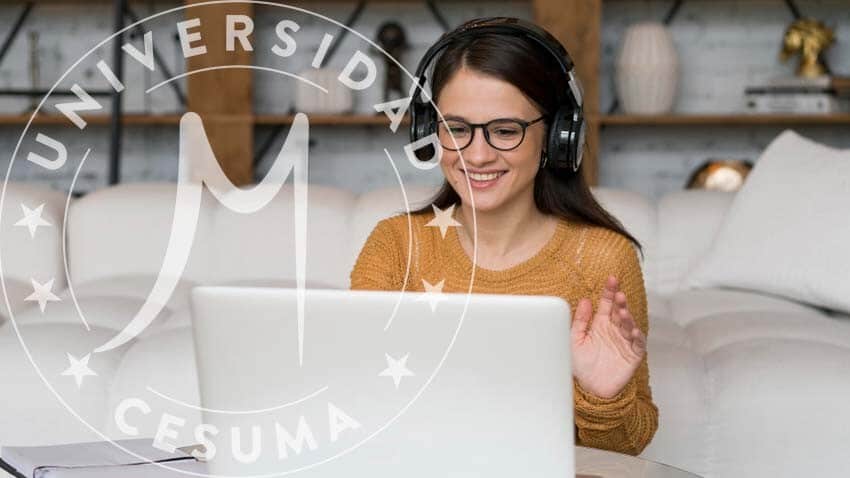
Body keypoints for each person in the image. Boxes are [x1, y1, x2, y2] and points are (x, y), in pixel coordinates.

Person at [350, 17, 658, 456]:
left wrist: (603, 398)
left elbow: (629, 447)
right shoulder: (395, 245)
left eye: (505, 131)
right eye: (456, 128)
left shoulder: (602, 258)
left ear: (557, 137)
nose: (477, 155)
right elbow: (356, 408)